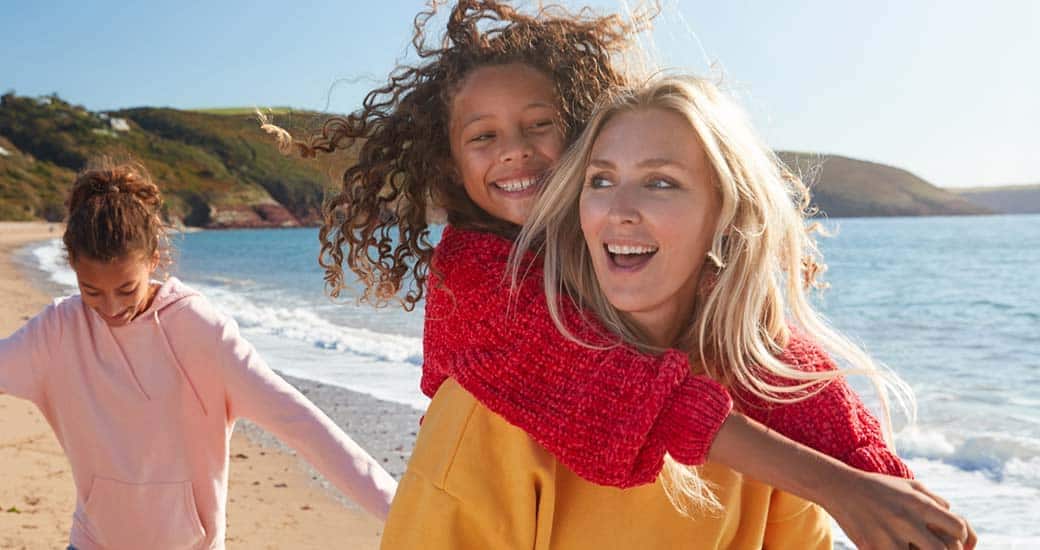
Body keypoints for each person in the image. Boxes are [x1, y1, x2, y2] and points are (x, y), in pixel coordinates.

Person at [264, 1, 972, 547]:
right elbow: (618, 388)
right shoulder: (478, 312)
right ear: (450, 166)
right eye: (483, 136)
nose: (515, 152)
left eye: (659, 182)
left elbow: (789, 377)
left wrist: (888, 491)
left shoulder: (723, 353)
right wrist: (841, 488)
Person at [0, 159, 397, 550]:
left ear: (154, 260)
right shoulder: (57, 331)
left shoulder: (201, 331)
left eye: (126, 289)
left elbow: (301, 424)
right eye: (91, 291)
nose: (110, 308)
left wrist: (400, 510)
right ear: (73, 269)